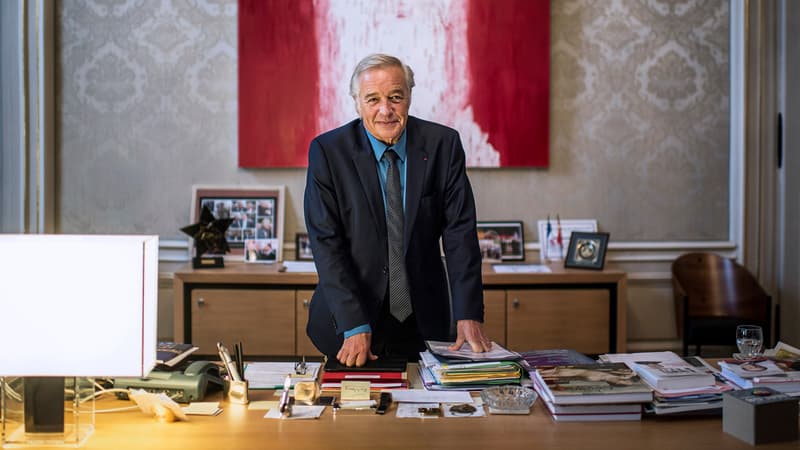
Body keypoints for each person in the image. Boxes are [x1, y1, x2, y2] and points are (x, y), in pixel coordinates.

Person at [304, 53, 491, 367]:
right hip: (350, 322)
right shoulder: (328, 152)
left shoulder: (442, 145)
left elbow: (460, 235)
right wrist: (354, 323)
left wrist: (468, 313)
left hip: (425, 321)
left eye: (395, 97)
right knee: (353, 412)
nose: (385, 110)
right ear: (356, 102)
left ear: (409, 97)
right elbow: (326, 245)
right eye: (373, 99)